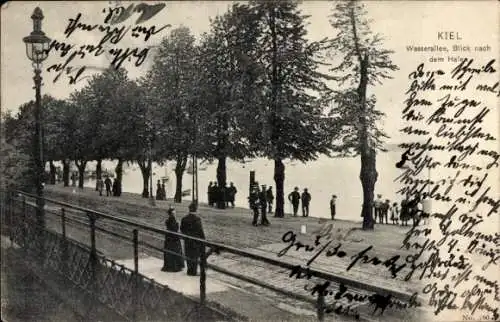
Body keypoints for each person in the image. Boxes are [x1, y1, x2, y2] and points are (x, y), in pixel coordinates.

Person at [180, 203, 206, 276]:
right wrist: (203, 239)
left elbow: (182, 229)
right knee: (195, 255)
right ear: (196, 209)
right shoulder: (197, 219)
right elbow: (200, 230)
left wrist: (186, 235)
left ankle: (189, 270)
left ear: (189, 209)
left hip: (187, 240)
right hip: (196, 240)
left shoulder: (184, 218)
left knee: (188, 254)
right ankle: (193, 271)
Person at [162, 207, 185, 272]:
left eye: (175, 213)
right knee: (175, 250)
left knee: (170, 250)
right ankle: (175, 266)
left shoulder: (168, 220)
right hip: (174, 238)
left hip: (169, 237)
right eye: (174, 213)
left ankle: (171, 265)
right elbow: (175, 229)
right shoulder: (174, 221)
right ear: (171, 214)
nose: (175, 214)